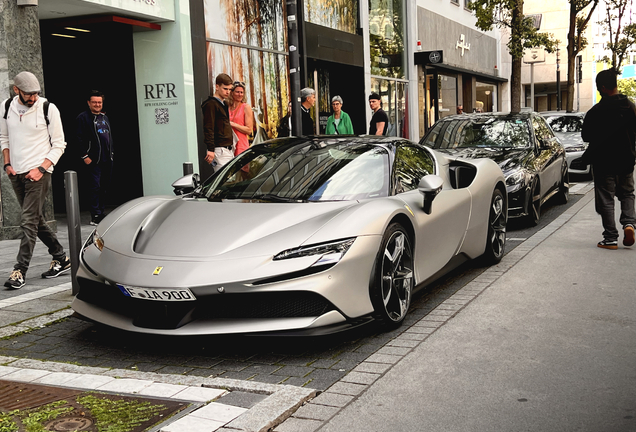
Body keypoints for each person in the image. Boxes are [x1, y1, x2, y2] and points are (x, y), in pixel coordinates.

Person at [0, 71, 71, 289]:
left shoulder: (48, 108)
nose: (33, 98)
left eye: (36, 93)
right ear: (16, 90)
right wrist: (7, 165)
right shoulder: (6, 107)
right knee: (35, 219)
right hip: (16, 172)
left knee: (28, 220)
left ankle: (19, 270)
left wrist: (41, 169)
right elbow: (4, 137)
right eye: (28, 94)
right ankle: (61, 258)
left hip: (39, 173)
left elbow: (59, 144)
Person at [581, 68, 636, 250]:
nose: (597, 90)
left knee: (606, 199)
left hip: (604, 163)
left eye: (598, 87)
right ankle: (629, 224)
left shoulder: (596, 111)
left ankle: (610, 238)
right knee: (627, 194)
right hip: (626, 160)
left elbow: (586, 136)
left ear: (603, 87)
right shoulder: (631, 107)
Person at [76, 90, 113, 226]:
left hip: (106, 158)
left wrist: (112, 153)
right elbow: (78, 139)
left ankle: (101, 212)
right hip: (93, 159)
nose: (97, 105)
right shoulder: (83, 117)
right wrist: (85, 155)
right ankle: (95, 215)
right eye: (94, 102)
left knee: (104, 187)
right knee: (94, 187)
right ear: (88, 103)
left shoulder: (104, 117)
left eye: (99, 102)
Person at [202, 73, 234, 172]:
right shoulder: (211, 104)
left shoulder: (223, 104)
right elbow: (208, 127)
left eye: (230, 89)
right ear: (217, 87)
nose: (228, 92)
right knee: (225, 182)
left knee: (229, 180)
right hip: (219, 149)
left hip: (227, 149)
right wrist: (211, 149)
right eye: (225, 89)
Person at [228, 81, 253, 156]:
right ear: (232, 93)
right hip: (229, 145)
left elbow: (249, 130)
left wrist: (233, 124)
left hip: (241, 145)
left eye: (242, 92)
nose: (240, 94)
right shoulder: (228, 107)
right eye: (237, 92)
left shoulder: (245, 107)